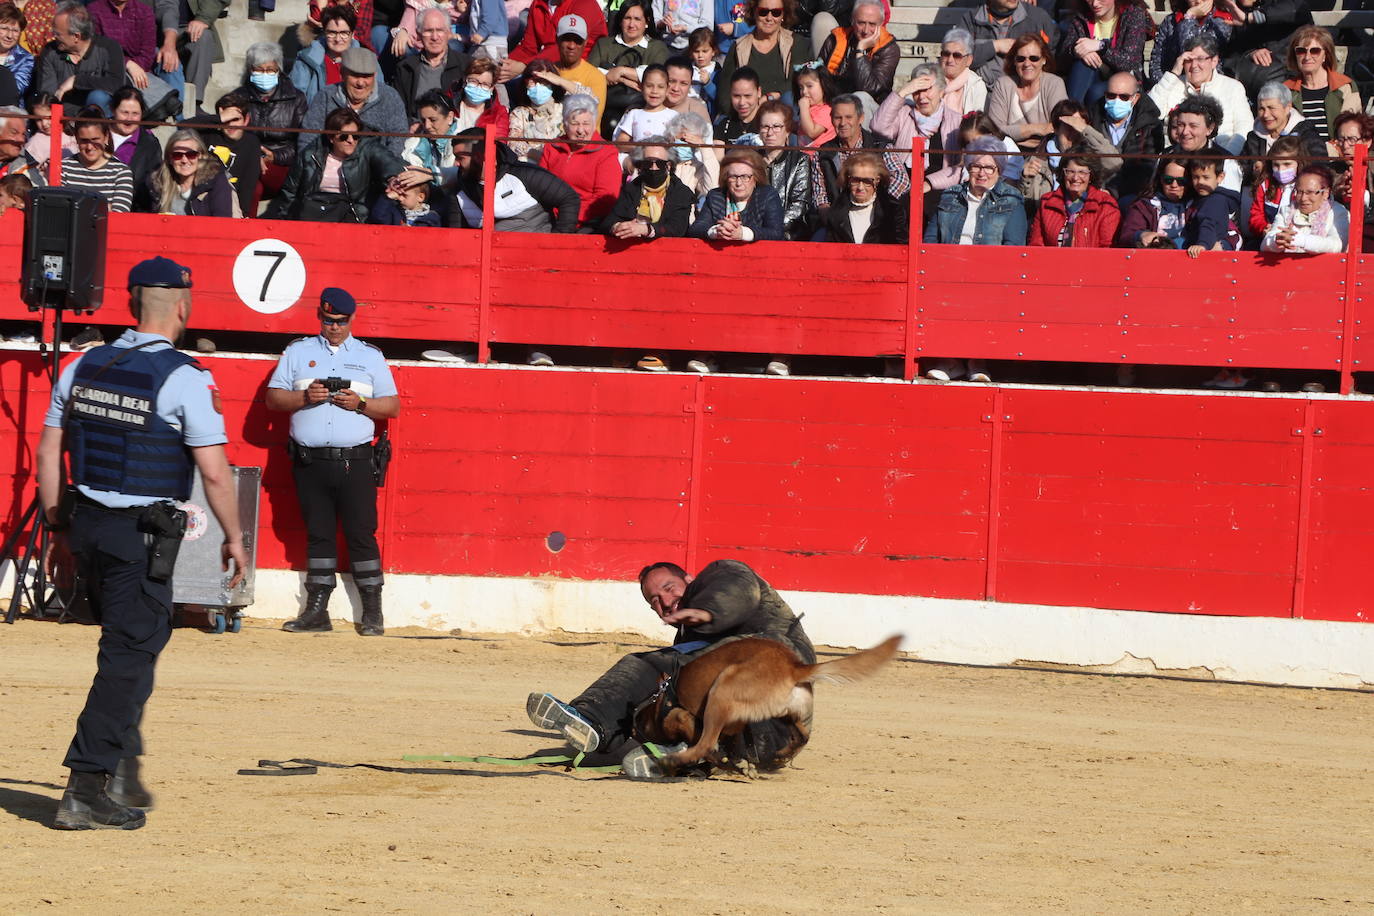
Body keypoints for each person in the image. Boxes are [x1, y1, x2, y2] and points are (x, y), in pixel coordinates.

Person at [37, 256, 247, 829]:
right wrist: (234, 537)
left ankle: (123, 765)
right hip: (139, 536)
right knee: (128, 658)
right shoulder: (185, 376)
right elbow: (215, 474)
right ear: (184, 306)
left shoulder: (82, 365)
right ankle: (86, 785)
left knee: (134, 644)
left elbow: (48, 452)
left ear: (132, 305)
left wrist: (58, 532)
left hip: (87, 525)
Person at [525, 558, 816, 778]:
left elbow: (738, 590)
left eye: (668, 588)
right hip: (763, 748)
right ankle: (686, 755)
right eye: (655, 601)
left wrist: (709, 610)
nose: (665, 601)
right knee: (664, 699)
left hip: (779, 715)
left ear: (690, 580)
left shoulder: (722, 574)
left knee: (650, 666)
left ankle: (591, 718)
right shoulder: (693, 646)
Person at [266, 288, 399, 636]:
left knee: (361, 534)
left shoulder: (370, 356)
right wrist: (303, 397)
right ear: (319, 317)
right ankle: (316, 611)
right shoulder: (298, 352)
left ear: (352, 320)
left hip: (355, 461)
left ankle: (373, 611)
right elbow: (273, 399)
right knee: (318, 535)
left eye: (340, 321)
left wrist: (360, 404)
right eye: (328, 321)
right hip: (311, 461)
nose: (334, 327)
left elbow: (393, 407)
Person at [270, 106, 410, 223]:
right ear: (331, 138)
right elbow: (290, 191)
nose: (351, 141)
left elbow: (386, 160)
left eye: (355, 136)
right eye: (344, 136)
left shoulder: (367, 148)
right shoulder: (310, 154)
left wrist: (393, 177)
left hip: (352, 215)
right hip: (314, 213)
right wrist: (284, 222)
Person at [449, 126, 580, 231]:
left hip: (536, 256)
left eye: (460, 158)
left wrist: (559, 242)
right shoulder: (459, 193)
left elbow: (568, 198)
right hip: (488, 260)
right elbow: (457, 236)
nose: (456, 164)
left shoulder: (526, 174)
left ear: (479, 156)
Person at [1146, 32, 1251, 154]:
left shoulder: (1233, 87)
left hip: (1219, 158)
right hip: (1176, 158)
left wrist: (1226, 158)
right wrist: (1173, 74)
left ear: (1214, 61)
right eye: (1188, 60)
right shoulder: (1172, 84)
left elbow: (1244, 128)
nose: (1194, 66)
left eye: (1200, 59)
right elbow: (1149, 111)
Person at [872, 63, 963, 198]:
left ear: (941, 91)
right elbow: (878, 127)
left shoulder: (957, 122)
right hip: (903, 190)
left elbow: (962, 167)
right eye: (916, 90)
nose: (921, 97)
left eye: (927, 89)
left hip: (940, 191)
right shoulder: (905, 113)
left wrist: (929, 183)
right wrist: (902, 92)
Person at [810, 93, 909, 215]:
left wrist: (876, 205)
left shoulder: (881, 148)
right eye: (838, 117)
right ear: (831, 120)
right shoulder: (821, 154)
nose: (843, 123)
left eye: (848, 117)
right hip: (837, 219)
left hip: (876, 218)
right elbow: (820, 195)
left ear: (861, 118)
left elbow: (901, 179)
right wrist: (832, 217)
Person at [300, 47, 409, 157]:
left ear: (375, 75)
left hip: (377, 167)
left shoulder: (390, 97)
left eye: (367, 76)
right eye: (355, 75)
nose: (361, 83)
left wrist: (384, 167)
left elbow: (398, 140)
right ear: (342, 73)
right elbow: (308, 138)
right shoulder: (325, 96)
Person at [539, 92, 623, 229]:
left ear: (594, 124)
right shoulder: (552, 147)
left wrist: (567, 214)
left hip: (587, 220)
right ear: (565, 125)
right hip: (549, 216)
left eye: (586, 123)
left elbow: (605, 199)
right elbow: (540, 186)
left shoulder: (606, 152)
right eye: (575, 123)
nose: (580, 130)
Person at [239, 42, 309, 203]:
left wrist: (275, 156)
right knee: (252, 187)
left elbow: (302, 141)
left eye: (270, 70)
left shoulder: (296, 98)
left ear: (279, 71)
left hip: (282, 165)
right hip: (249, 164)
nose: (265, 74)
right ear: (250, 70)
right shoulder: (239, 98)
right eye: (259, 69)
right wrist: (252, 156)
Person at [1017, 98, 1121, 204]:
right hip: (1048, 216)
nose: (1074, 132)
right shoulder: (1037, 160)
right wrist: (1026, 180)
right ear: (1056, 128)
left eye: (1078, 127)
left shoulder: (1092, 156)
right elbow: (1026, 206)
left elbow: (1115, 162)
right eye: (1069, 127)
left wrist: (1086, 130)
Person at [87, 0, 178, 121]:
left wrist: (134, 66)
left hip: (139, 72)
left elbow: (147, 53)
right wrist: (127, 64)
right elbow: (97, 51)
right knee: (98, 97)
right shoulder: (93, 10)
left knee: (172, 65)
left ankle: (179, 120)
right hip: (105, 72)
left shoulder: (144, 11)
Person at [588, 0, 669, 134]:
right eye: (627, 18)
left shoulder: (657, 47)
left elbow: (656, 77)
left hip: (643, 109)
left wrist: (620, 71)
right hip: (605, 107)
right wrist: (624, 80)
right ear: (620, 21)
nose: (632, 24)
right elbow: (590, 74)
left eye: (637, 19)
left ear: (647, 22)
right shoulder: (604, 44)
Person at [1056, 0, 1152, 106]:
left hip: (1123, 79)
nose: (1095, 4)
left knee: (1096, 93)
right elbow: (1062, 59)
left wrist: (1101, 46)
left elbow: (1129, 63)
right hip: (1089, 74)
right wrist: (1077, 51)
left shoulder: (1133, 14)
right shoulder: (1081, 16)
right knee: (1082, 64)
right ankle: (1073, 113)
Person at [35, 2, 124, 114]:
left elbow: (116, 85)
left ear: (76, 36)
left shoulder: (109, 48)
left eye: (58, 34)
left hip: (99, 119)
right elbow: (47, 92)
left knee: (99, 97)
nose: (54, 37)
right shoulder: (50, 52)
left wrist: (77, 81)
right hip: (64, 117)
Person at [1282, 26, 1359, 150]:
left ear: (1325, 55)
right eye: (1301, 51)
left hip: (1337, 157)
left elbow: (1350, 134)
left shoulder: (1345, 87)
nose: (1307, 57)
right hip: (1299, 159)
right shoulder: (1285, 90)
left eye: (1315, 51)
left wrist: (1326, 152)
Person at [601, 136, 694, 239]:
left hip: (668, 251)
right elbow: (609, 221)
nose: (653, 168)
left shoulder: (681, 193)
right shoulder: (631, 189)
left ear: (669, 165)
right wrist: (617, 226)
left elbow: (677, 228)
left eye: (660, 163)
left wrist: (646, 230)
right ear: (640, 165)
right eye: (647, 163)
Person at [986, 34, 1066, 153]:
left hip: (1043, 154)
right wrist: (1037, 129)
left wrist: (1013, 133)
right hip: (1007, 153)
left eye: (1034, 58)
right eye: (1021, 59)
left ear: (1044, 59)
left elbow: (1059, 127)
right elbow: (994, 130)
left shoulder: (1054, 84)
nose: (1027, 63)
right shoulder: (1003, 84)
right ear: (1014, 61)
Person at [957, 0, 1058, 93]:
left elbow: (1050, 56)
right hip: (981, 92)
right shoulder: (971, 19)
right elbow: (958, 58)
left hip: (1024, 92)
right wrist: (994, 46)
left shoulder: (1038, 18)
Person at [1088, 70, 1160, 198]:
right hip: (1094, 189)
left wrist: (1112, 192)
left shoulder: (1149, 126)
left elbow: (1145, 170)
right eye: (1111, 96)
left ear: (1135, 98)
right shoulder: (1091, 119)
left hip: (1130, 193)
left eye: (1124, 97)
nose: (1116, 101)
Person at [1219, 0, 1310, 99]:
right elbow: (1231, 56)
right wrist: (1251, 53)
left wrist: (1252, 17)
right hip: (1258, 89)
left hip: (1294, 81)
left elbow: (1296, 10)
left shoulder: (1287, 5)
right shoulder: (1237, 12)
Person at [1028, 149, 1119, 246]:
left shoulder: (1106, 205)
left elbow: (1107, 248)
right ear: (1063, 174)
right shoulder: (1046, 203)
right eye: (1070, 171)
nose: (1075, 177)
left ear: (1091, 176)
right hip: (1052, 260)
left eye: (1082, 172)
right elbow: (1036, 245)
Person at [151, 0, 228, 115]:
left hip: (190, 28)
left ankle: (194, 102)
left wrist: (203, 19)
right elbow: (166, 7)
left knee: (204, 36)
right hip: (158, 29)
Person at [391, 8, 470, 119]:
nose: (434, 37)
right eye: (428, 31)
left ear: (448, 33)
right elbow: (398, 111)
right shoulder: (405, 69)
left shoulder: (466, 65)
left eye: (440, 30)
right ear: (419, 34)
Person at [813, 0, 897, 105]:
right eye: (861, 23)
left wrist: (860, 51)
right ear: (852, 21)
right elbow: (819, 75)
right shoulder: (836, 39)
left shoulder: (889, 48)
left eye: (872, 24)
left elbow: (870, 90)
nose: (866, 30)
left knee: (861, 97)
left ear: (881, 24)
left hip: (869, 107)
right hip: (835, 101)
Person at [689, 147, 782, 240]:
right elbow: (696, 229)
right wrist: (717, 231)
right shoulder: (715, 196)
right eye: (733, 177)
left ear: (756, 178)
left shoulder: (767, 195)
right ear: (726, 177)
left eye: (745, 177)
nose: (738, 183)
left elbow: (776, 233)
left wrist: (743, 233)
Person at [500, 0, 606, 81]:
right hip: (545, 65)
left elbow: (564, 49)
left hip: (577, 70)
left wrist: (525, 66)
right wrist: (505, 65)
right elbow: (528, 47)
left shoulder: (585, 4)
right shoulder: (538, 4)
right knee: (498, 81)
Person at [714, 0, 798, 101]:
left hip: (784, 112)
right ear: (754, 13)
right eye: (763, 12)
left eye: (776, 13)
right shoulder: (737, 47)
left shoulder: (796, 44)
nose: (769, 18)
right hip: (746, 113)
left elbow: (798, 85)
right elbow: (725, 95)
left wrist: (768, 98)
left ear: (783, 14)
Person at [139, 127, 233, 216]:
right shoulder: (157, 183)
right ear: (169, 158)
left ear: (200, 155)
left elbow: (222, 222)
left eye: (191, 154)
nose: (184, 160)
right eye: (177, 155)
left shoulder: (216, 181)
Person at [821, 149, 908, 244]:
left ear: (877, 181)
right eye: (855, 180)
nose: (860, 187)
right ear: (848, 180)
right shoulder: (836, 212)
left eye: (867, 181)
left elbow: (901, 245)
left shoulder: (893, 211)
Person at [510, 58, 588, 161]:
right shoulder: (520, 113)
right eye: (533, 82)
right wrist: (542, 156)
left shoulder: (565, 107)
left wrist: (560, 81)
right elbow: (513, 143)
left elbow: (591, 100)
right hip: (535, 164)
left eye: (543, 82)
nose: (538, 87)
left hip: (564, 161)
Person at [1239, 81, 1324, 176]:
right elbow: (1241, 168)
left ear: (1287, 108)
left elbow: (1320, 167)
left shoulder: (1305, 133)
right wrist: (1254, 169)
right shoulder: (1253, 137)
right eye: (1261, 109)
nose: (1266, 115)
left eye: (1271, 108)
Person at [1163, 93, 1242, 192]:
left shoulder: (1226, 163)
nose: (1185, 132)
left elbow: (1228, 202)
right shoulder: (1166, 156)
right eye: (1181, 125)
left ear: (1210, 128)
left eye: (1193, 126)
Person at [756, 98, 811, 239]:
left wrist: (771, 229)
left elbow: (799, 206)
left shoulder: (799, 160)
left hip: (788, 234)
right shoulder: (751, 160)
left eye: (776, 126)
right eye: (765, 127)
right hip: (752, 231)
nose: (770, 132)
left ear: (787, 130)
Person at [1261, 165, 1346, 254]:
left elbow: (1337, 245)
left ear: (1325, 193)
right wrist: (1277, 240)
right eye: (1299, 192)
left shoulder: (1338, 213)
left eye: (1310, 192)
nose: (1303, 198)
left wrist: (1299, 240)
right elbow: (1264, 244)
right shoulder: (1286, 210)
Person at [62, 106, 134, 211]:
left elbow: (119, 215)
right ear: (76, 139)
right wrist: (103, 208)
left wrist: (77, 208)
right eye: (84, 141)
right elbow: (61, 210)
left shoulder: (121, 172)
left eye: (95, 139)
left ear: (106, 137)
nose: (89, 147)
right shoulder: (64, 168)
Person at [1149, 0, 1234, 86]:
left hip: (1212, 88)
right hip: (1175, 88)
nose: (1198, 1)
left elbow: (1193, 53)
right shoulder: (1171, 21)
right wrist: (1167, 87)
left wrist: (1189, 18)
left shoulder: (1224, 20)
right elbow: (1156, 64)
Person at [290, 4, 360, 104]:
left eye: (344, 33)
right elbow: (296, 101)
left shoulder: (367, 62)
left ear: (352, 34)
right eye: (332, 33)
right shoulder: (307, 60)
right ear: (324, 32)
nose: (338, 39)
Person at [1117, 155, 1191, 247]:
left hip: (1190, 258)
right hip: (1154, 257)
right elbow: (1126, 236)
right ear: (1160, 179)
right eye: (1168, 180)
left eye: (1181, 181)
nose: (1174, 185)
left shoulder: (1197, 205)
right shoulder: (1144, 206)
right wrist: (1141, 235)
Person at [108, 87, 161, 204]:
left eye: (135, 114)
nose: (129, 119)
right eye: (124, 112)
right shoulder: (97, 135)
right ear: (113, 110)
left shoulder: (150, 144)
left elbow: (153, 184)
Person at [1247, 133, 1303, 241]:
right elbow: (1255, 216)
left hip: (1297, 239)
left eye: (1287, 164)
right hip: (1269, 238)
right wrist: (1263, 228)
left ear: (1299, 163)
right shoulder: (1265, 186)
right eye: (1276, 165)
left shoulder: (1305, 187)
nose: (1281, 170)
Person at [550, 14, 607, 118]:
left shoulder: (596, 76)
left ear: (585, 42)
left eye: (578, 40)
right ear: (557, 39)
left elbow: (592, 118)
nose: (572, 46)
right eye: (567, 39)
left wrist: (561, 82)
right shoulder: (548, 71)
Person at [613, 61, 675, 142]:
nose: (654, 91)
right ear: (641, 87)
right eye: (649, 86)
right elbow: (621, 141)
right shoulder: (634, 114)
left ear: (667, 88)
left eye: (660, 87)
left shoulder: (674, 116)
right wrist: (642, 147)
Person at [454, 55, 510, 134]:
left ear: (492, 88)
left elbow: (499, 142)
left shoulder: (499, 113)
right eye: (473, 81)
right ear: (465, 80)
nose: (478, 87)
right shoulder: (450, 106)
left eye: (485, 84)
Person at [939, 28, 986, 117]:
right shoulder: (929, 78)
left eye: (957, 55)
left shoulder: (976, 86)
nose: (950, 60)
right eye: (946, 54)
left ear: (969, 60)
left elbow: (975, 124)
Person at [22, 93, 71, 169]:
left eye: (49, 118)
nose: (44, 124)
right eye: (39, 119)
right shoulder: (33, 145)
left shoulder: (73, 133)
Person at [791, 61, 835, 146]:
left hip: (819, 156)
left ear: (823, 85)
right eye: (801, 87)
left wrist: (803, 109)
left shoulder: (827, 110)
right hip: (804, 155)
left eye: (809, 86)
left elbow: (812, 132)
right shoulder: (809, 109)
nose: (804, 91)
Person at [715, 65, 762, 141]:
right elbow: (717, 152)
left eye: (747, 96)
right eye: (736, 96)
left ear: (759, 92)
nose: (742, 102)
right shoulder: (725, 126)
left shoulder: (769, 126)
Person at [0, 2, 34, 98]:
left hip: (9, 110)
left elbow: (17, 90)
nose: (9, 36)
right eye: (4, 28)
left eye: (15, 31)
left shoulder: (25, 58)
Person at [687, 25, 717, 112]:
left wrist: (708, 83)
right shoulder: (687, 70)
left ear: (713, 51)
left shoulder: (717, 72)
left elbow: (719, 98)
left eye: (705, 51)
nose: (700, 56)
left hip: (706, 116)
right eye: (696, 51)